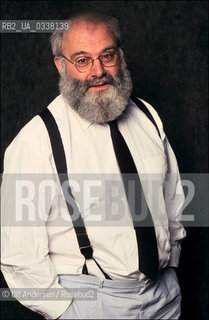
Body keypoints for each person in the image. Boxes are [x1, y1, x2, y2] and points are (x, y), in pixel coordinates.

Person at [1, 12, 186, 319]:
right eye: (83, 60)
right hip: (91, 302)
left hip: (164, 297)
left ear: (120, 57)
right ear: (61, 65)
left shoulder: (147, 116)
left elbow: (173, 199)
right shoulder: (37, 141)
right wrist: (66, 311)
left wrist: (172, 267)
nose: (98, 71)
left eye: (107, 56)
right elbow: (18, 254)